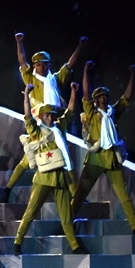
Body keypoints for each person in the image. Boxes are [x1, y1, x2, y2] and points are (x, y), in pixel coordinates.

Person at [0, 32, 87, 203]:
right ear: (35, 66)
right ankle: (8, 189)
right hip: (39, 127)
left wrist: (80, 46)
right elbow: (22, 61)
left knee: (64, 156)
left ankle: (75, 197)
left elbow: (69, 64)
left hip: (55, 125)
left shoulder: (54, 79)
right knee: (27, 161)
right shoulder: (30, 78)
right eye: (39, 65)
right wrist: (19, 43)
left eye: (45, 64)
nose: (42, 67)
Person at [13, 83, 86, 256]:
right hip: (44, 177)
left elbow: (70, 112)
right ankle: (18, 241)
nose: (51, 118)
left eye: (52, 115)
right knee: (31, 211)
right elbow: (27, 117)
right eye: (47, 115)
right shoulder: (37, 131)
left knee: (66, 215)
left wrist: (73, 92)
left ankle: (75, 246)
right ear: (41, 117)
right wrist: (26, 96)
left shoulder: (59, 128)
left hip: (60, 176)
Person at [71, 62, 135, 234]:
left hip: (111, 159)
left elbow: (127, 96)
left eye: (105, 97)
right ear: (95, 100)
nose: (103, 99)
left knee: (124, 195)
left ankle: (134, 227)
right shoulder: (91, 112)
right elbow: (85, 92)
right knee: (81, 193)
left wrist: (133, 74)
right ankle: (66, 222)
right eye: (100, 97)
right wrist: (85, 71)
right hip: (95, 159)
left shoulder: (113, 112)